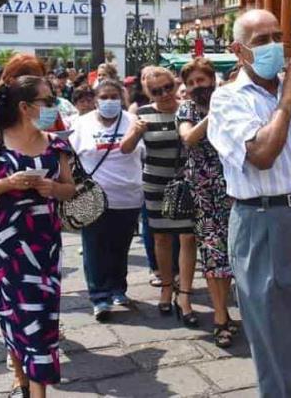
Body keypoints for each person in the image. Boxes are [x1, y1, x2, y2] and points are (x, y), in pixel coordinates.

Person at [208, 9, 291, 397]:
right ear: (239, 50)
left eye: (278, 36)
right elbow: (262, 154)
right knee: (272, 334)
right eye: (262, 40)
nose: (274, 46)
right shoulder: (227, 100)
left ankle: (286, 390)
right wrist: (286, 104)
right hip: (261, 219)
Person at [0, 76, 75, 398]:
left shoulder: (56, 143)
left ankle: (34, 385)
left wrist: (53, 189)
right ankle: (24, 379)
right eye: (46, 100)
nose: (51, 106)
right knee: (12, 313)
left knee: (41, 316)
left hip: (44, 244)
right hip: (2, 245)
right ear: (25, 106)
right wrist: (8, 183)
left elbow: (71, 189)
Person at [122, 66, 198, 325]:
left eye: (168, 87)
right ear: (148, 93)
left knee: (188, 237)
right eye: (156, 91)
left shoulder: (190, 109)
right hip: (155, 183)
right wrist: (135, 131)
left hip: (188, 182)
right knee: (162, 237)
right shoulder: (142, 114)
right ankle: (167, 286)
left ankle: (185, 294)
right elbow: (125, 148)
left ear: (175, 84)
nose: (164, 94)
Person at [70, 79, 144, 321]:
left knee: (120, 247)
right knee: (94, 247)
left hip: (128, 196)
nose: (110, 101)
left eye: (115, 96)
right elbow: (71, 157)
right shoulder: (81, 123)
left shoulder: (133, 121)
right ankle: (99, 296)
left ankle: (117, 288)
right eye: (105, 96)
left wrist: (136, 133)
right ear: (95, 98)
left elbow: (138, 152)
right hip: (94, 198)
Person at [176, 58, 236, 348]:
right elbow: (188, 137)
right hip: (204, 196)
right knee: (213, 255)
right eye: (192, 83)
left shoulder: (230, 104)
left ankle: (226, 309)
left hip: (236, 191)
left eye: (203, 80)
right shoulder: (187, 109)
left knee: (232, 257)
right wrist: (214, 115)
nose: (198, 87)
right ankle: (220, 317)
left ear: (213, 80)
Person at [0, 54, 64, 148]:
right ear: (11, 81)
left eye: (42, 80)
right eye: (31, 81)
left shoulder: (49, 110)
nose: (40, 86)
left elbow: (66, 150)